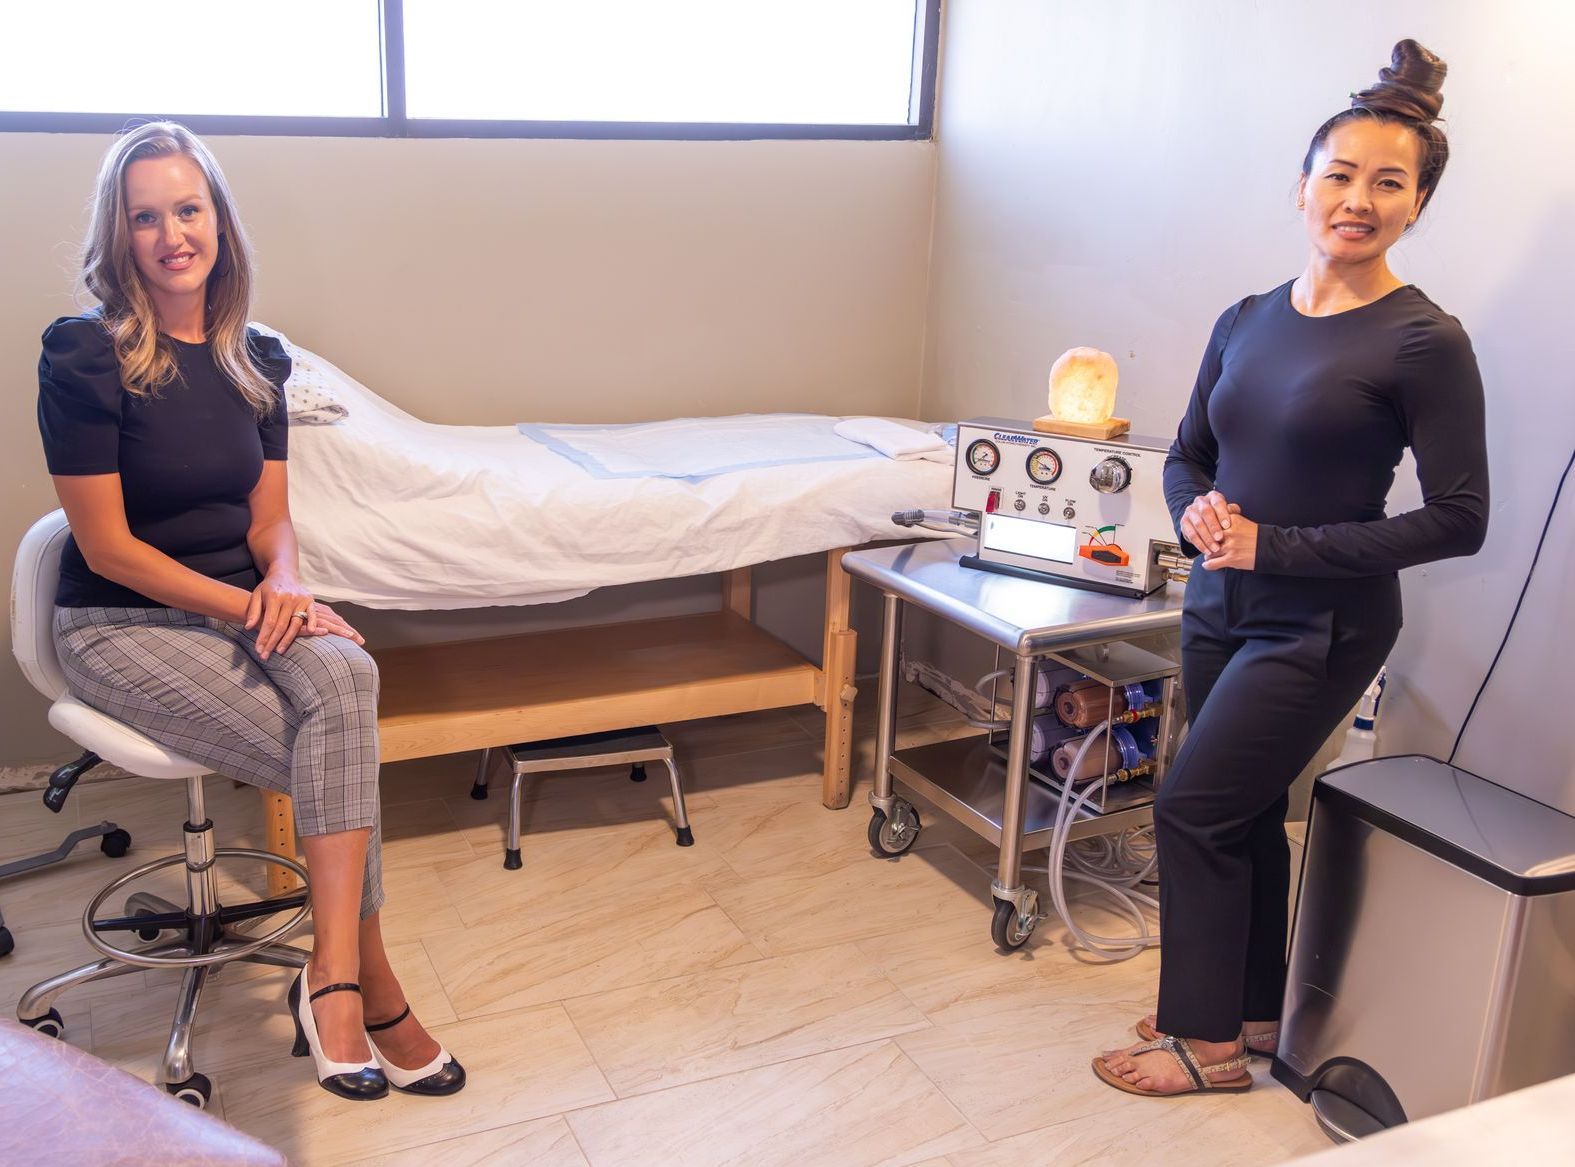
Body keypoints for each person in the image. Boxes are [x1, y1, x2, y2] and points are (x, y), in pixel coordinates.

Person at [36, 122, 465, 1102]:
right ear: (120, 235)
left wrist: (284, 584)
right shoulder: (85, 355)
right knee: (342, 749)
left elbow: (270, 519)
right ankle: (366, 987)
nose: (171, 234)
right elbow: (107, 549)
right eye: (145, 217)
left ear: (218, 221)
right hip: (120, 626)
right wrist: (246, 605)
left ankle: (340, 980)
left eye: (187, 210)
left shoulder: (254, 357)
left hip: (239, 610)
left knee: (348, 680)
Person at [1095, 40, 1489, 1097]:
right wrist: (1202, 515)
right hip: (1220, 602)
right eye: (1341, 175)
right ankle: (1252, 1013)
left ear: (1417, 206)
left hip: (1322, 623)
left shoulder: (1423, 343)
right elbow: (1187, 457)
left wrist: (1282, 547)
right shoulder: (1247, 318)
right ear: (1303, 185)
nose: (1359, 199)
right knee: (1245, 810)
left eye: (1389, 183)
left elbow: (1461, 520)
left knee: (1190, 806)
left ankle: (1202, 1045)